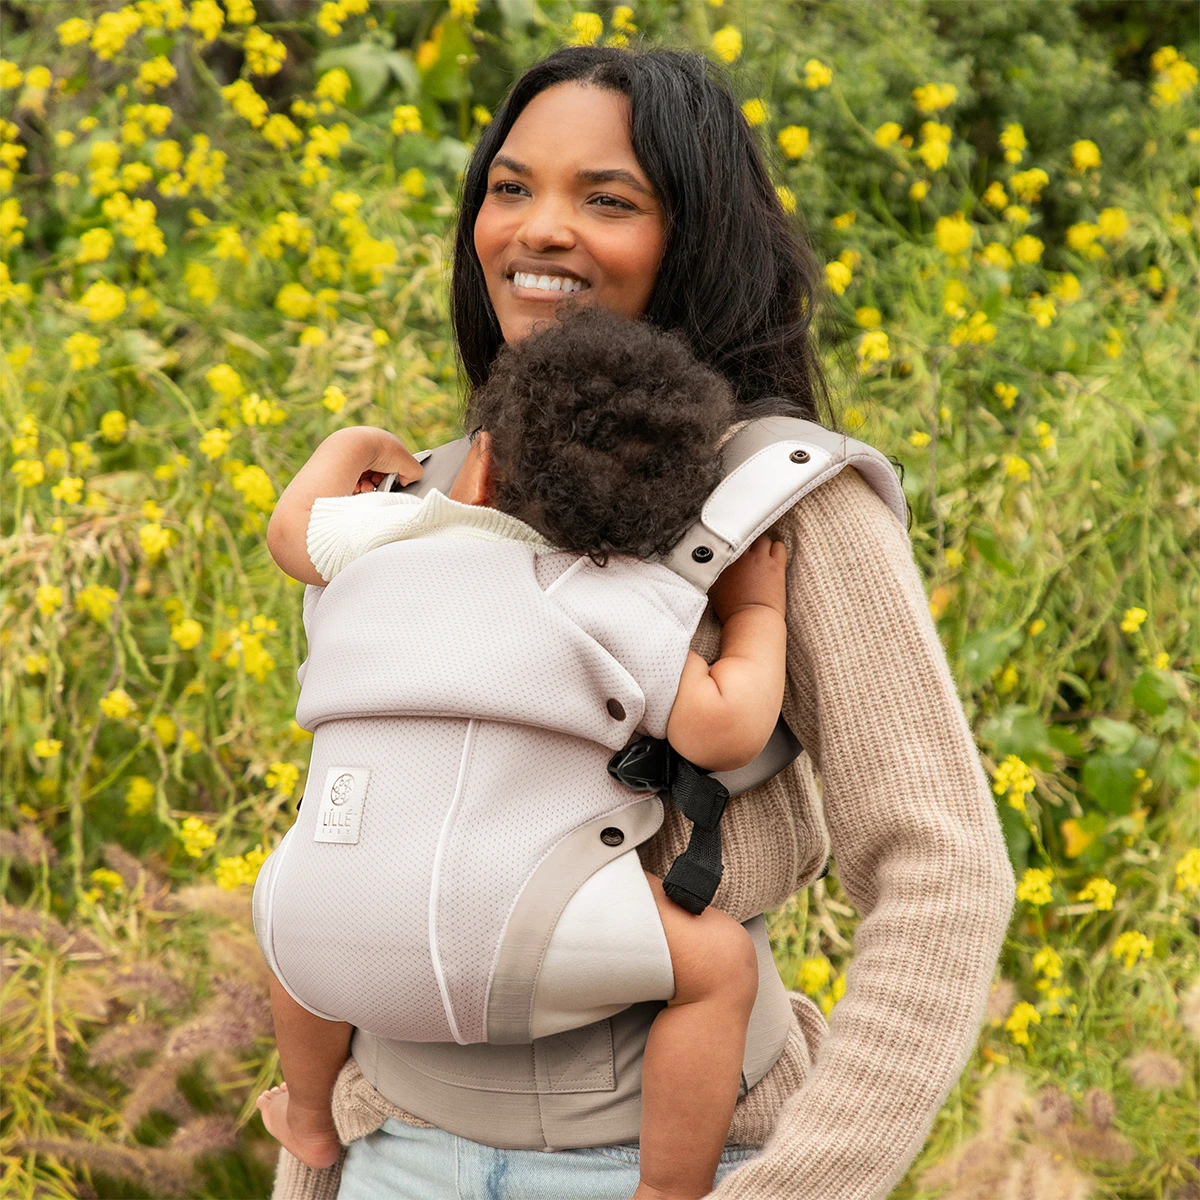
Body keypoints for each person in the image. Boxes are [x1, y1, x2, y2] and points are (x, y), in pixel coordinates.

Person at [272, 43, 1015, 1200]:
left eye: (606, 199)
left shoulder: (780, 501)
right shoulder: (423, 495)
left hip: (656, 1164)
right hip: (392, 1157)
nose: (538, 229)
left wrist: (801, 1187)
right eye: (510, 188)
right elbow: (363, 847)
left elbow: (944, 870)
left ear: (696, 237)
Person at [257, 309, 786, 1200]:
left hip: (314, 927)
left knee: (299, 891)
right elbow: (726, 726)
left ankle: (310, 1116)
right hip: (515, 940)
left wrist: (350, 442)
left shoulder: (379, 546)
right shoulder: (621, 595)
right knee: (719, 967)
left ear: (480, 468)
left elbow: (289, 534)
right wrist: (757, 608)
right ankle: (666, 1188)